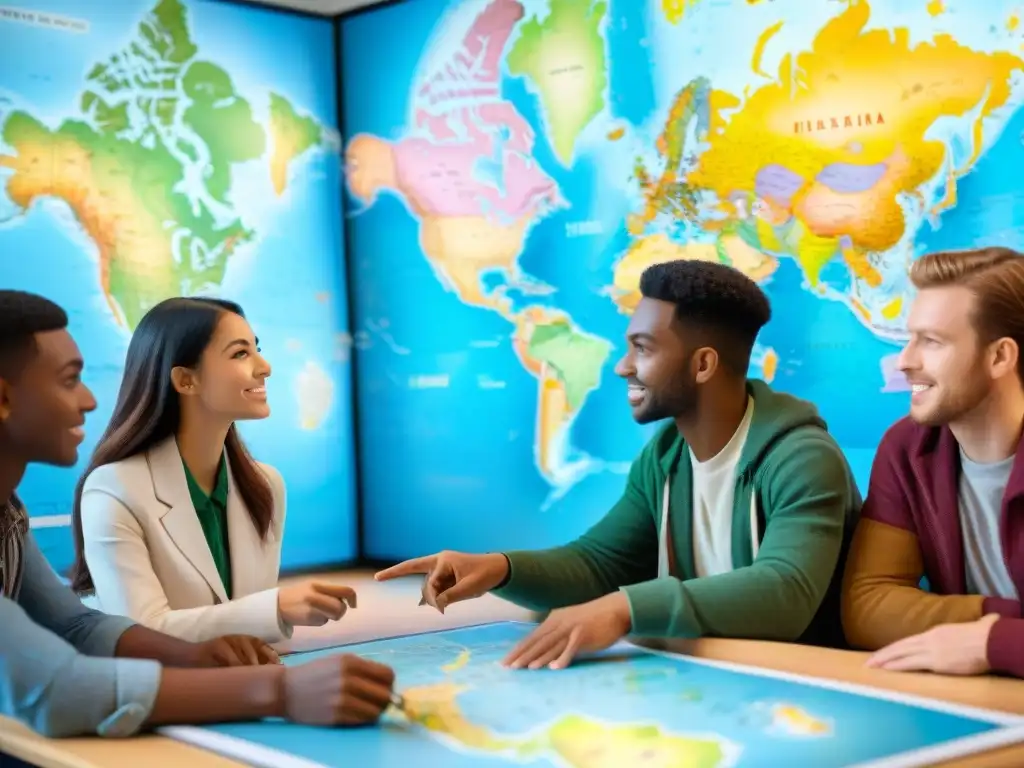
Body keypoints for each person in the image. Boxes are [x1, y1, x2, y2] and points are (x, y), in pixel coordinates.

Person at [377, 260, 862, 669]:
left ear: (703, 365)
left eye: (643, 348)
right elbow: (599, 563)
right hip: (723, 676)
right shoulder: (666, 456)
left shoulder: (802, 458)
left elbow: (786, 593)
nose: (622, 366)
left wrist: (626, 608)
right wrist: (500, 569)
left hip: (811, 684)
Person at [0, 289, 396, 738]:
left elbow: (75, 625)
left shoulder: (8, 515)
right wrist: (279, 691)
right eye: (70, 380)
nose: (90, 401)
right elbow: (56, 690)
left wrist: (195, 655)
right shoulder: (114, 486)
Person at [67, 297, 357, 644]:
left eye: (257, 349)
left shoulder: (265, 485)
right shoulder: (114, 488)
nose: (265, 367)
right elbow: (141, 634)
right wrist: (275, 608)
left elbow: (257, 637)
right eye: (240, 353)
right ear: (186, 381)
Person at [841, 247, 1024, 679]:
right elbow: (868, 605)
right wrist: (1002, 622)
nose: (905, 361)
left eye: (932, 342)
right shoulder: (907, 449)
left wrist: (993, 642)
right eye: (910, 338)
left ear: (1000, 357)